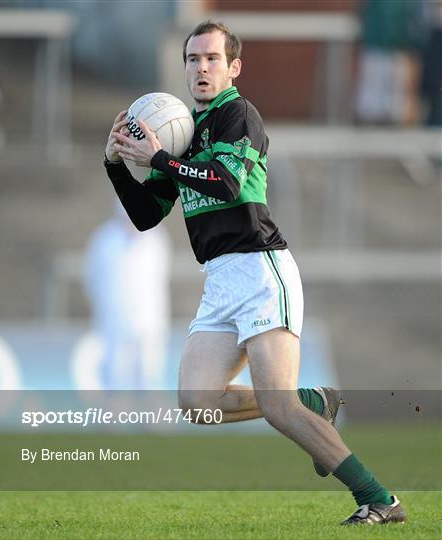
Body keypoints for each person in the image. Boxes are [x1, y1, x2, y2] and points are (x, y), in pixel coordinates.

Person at [103, 21, 406, 525]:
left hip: (261, 270)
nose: (201, 67)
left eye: (212, 58)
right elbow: (146, 215)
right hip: (221, 278)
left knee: (280, 408)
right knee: (197, 402)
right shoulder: (182, 131)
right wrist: (117, 163)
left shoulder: (238, 115)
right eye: (193, 59)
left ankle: (379, 499)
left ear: (233, 67)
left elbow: (224, 182)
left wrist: (157, 155)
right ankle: (314, 400)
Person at [84, 201, 171, 390]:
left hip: (149, 318)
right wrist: (103, 305)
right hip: (114, 318)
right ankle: (115, 416)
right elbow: (91, 277)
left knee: (149, 373)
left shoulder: (156, 238)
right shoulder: (104, 239)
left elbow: (160, 278)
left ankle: (150, 418)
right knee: (114, 373)